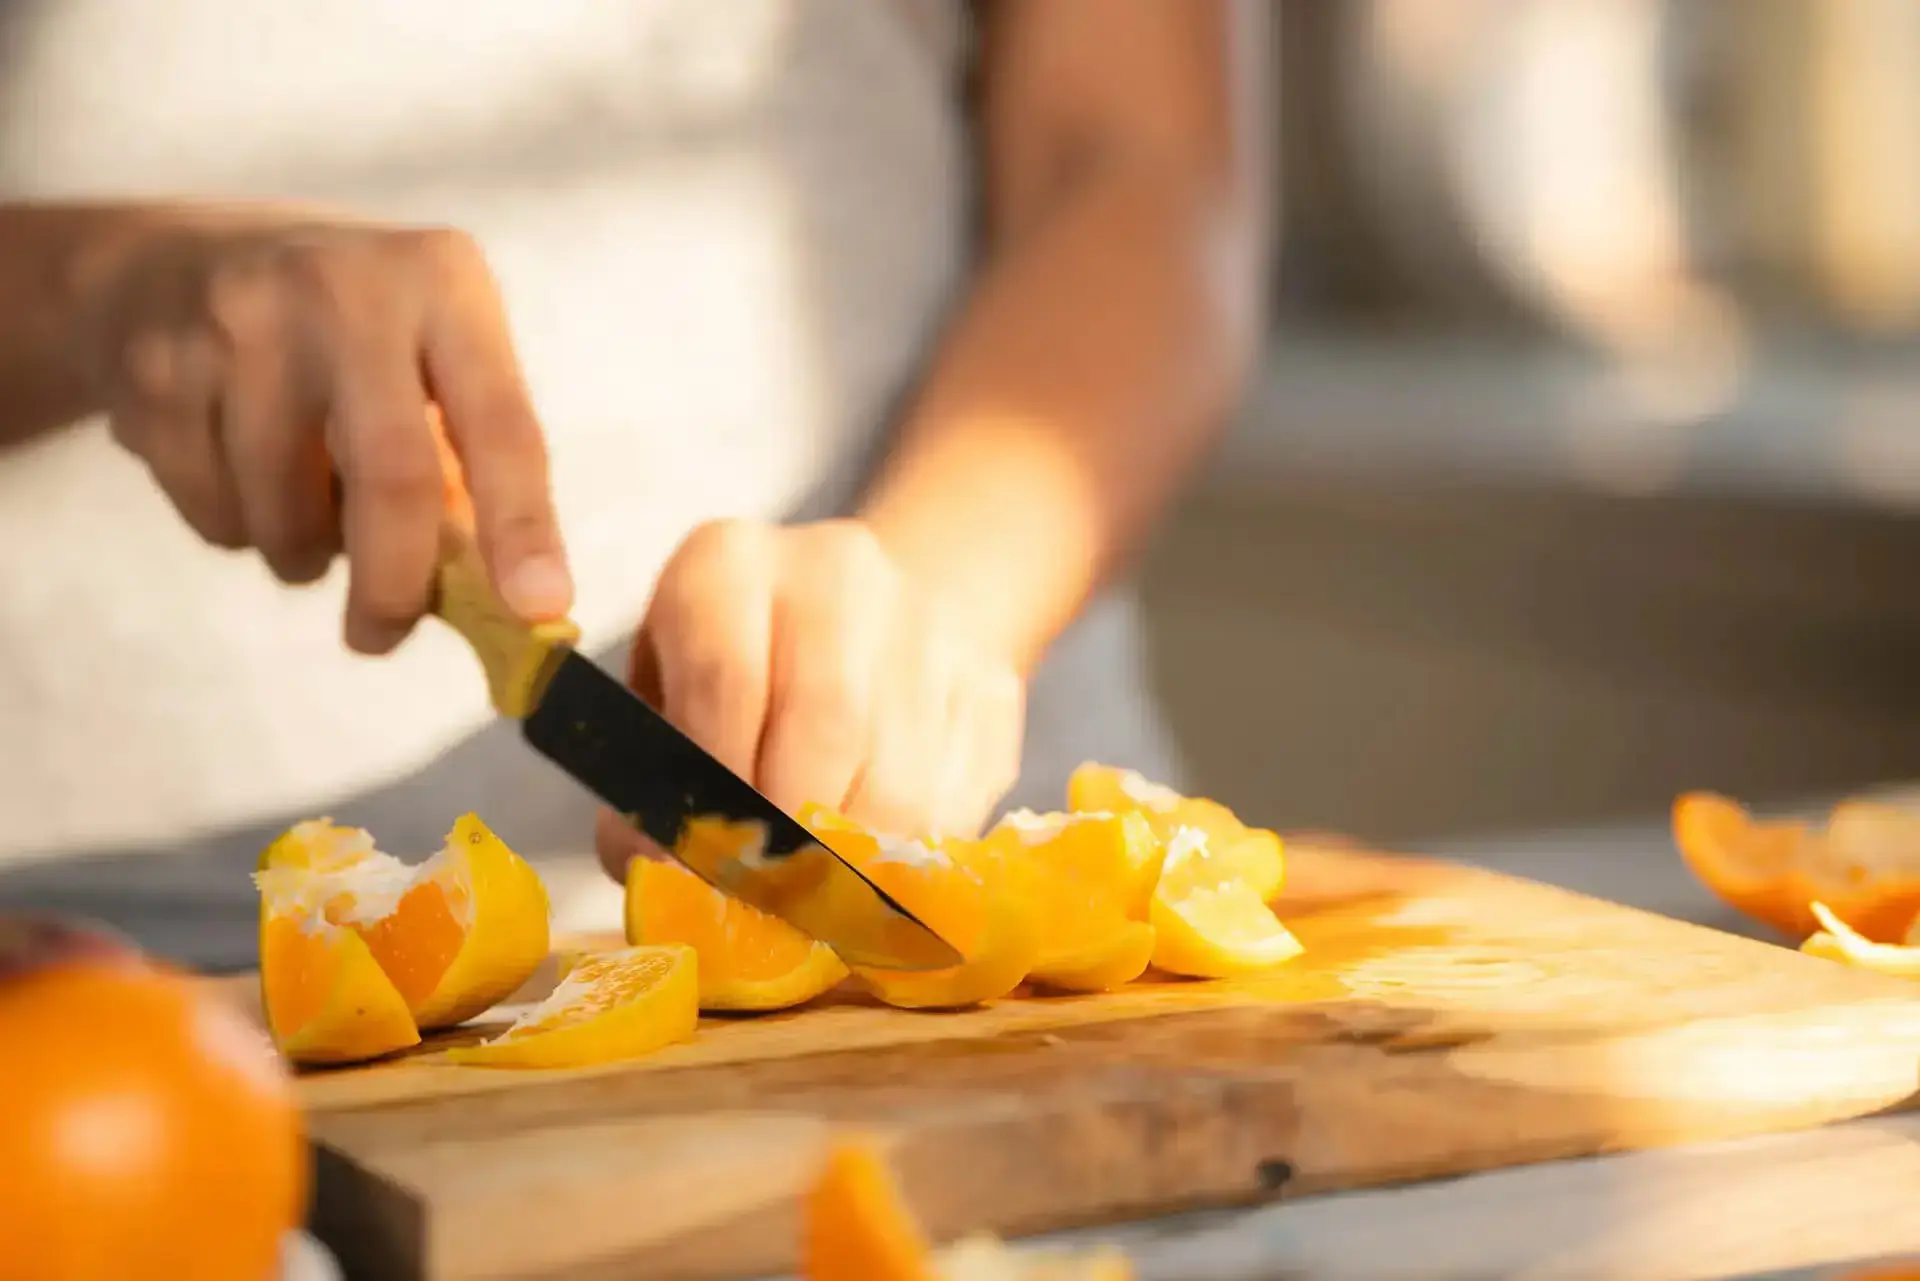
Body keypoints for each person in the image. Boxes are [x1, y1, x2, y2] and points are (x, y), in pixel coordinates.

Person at [0, 0, 1269, 969]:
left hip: (943, 921)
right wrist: (95, 287)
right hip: (100, 1000)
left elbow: (1136, 169)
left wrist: (939, 598)